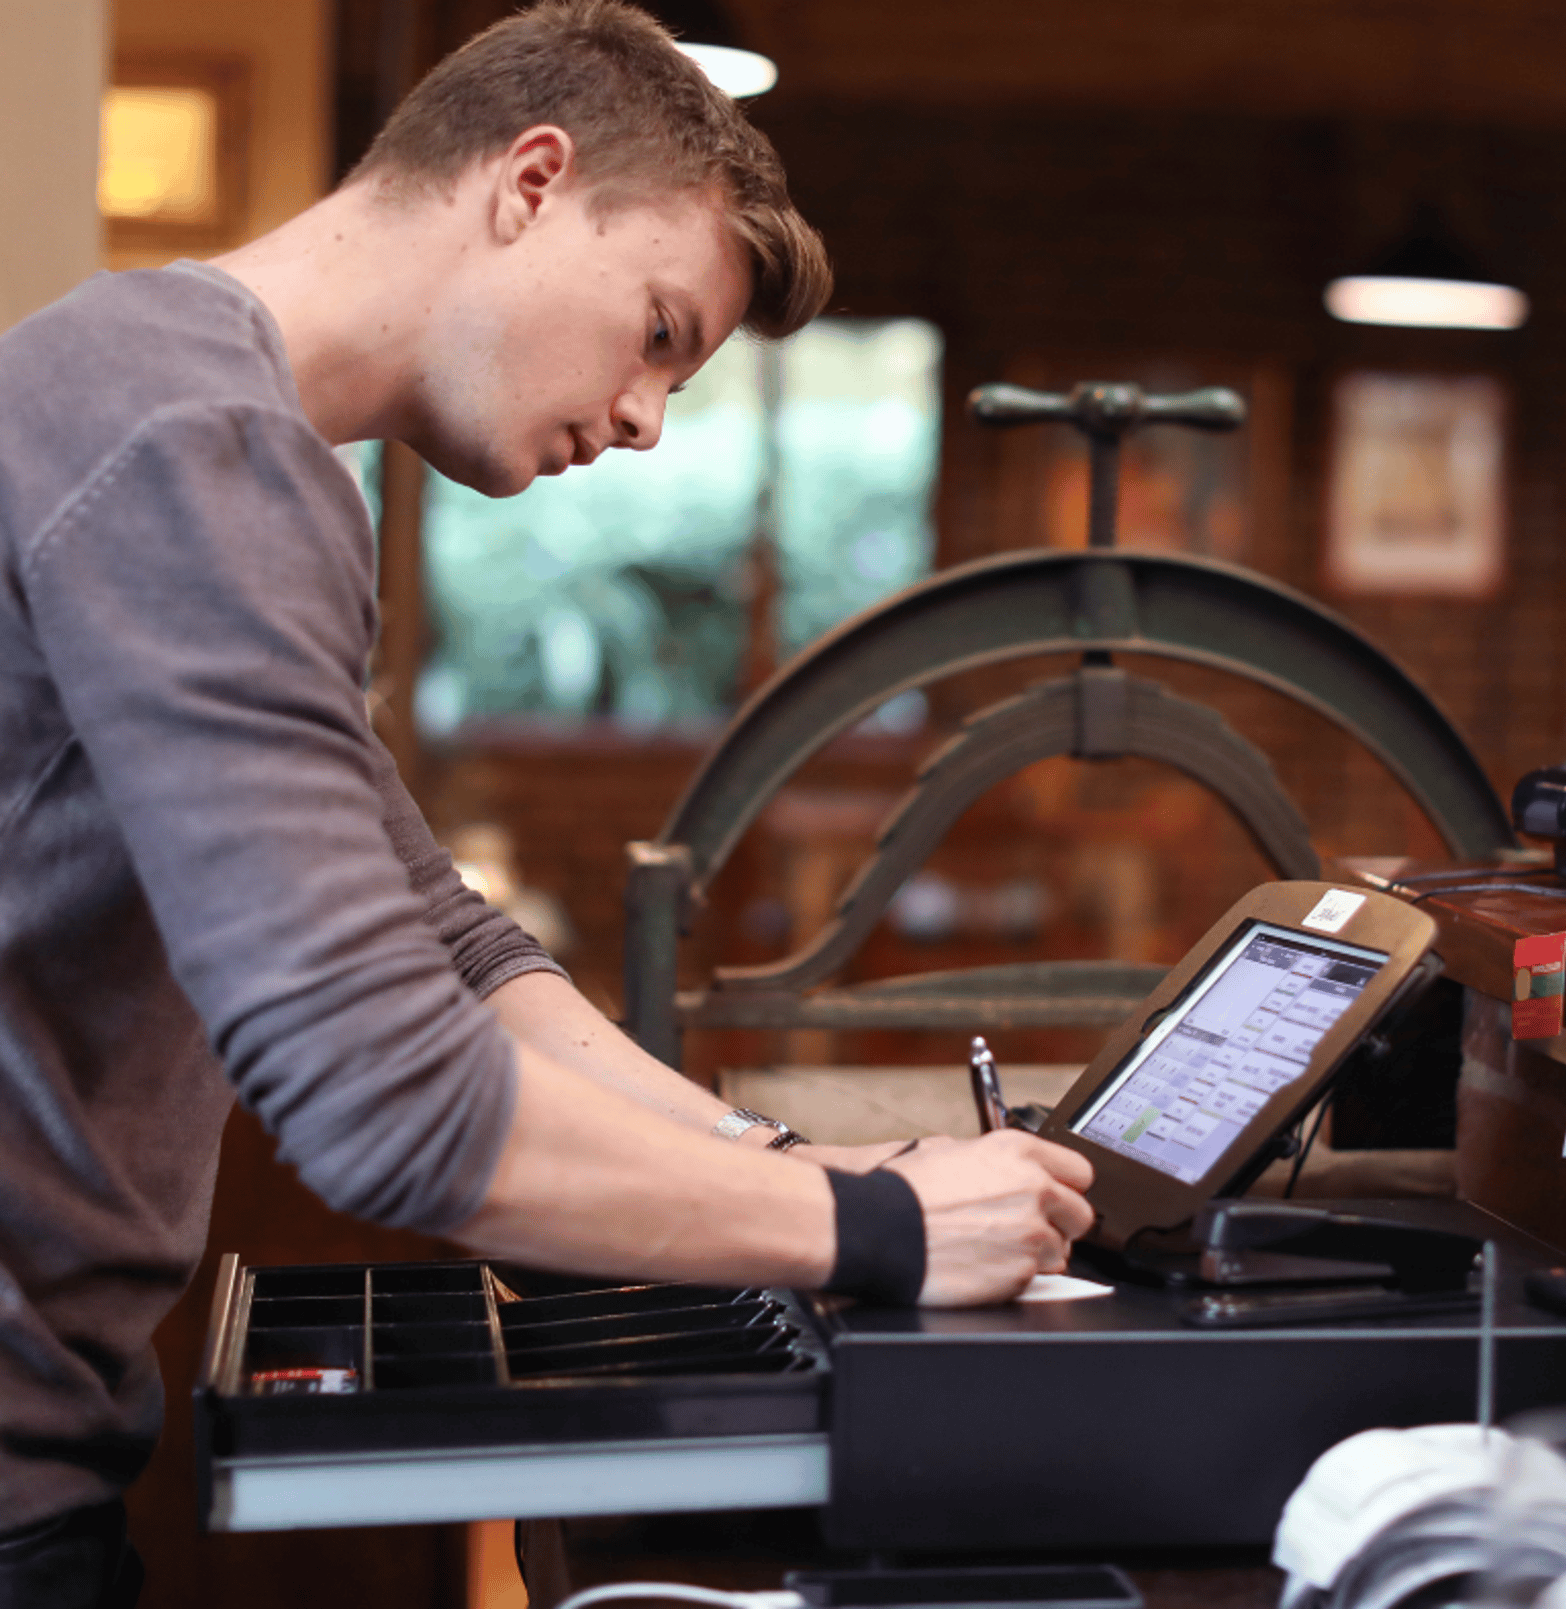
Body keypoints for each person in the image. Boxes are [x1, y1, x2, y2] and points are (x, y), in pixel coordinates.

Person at [0, 3, 1095, 1601]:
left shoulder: (169, 404)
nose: (648, 419)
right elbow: (387, 1101)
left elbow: (455, 952)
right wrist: (876, 1231)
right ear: (530, 182)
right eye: (658, 329)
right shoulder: (194, 443)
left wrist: (770, 1149)